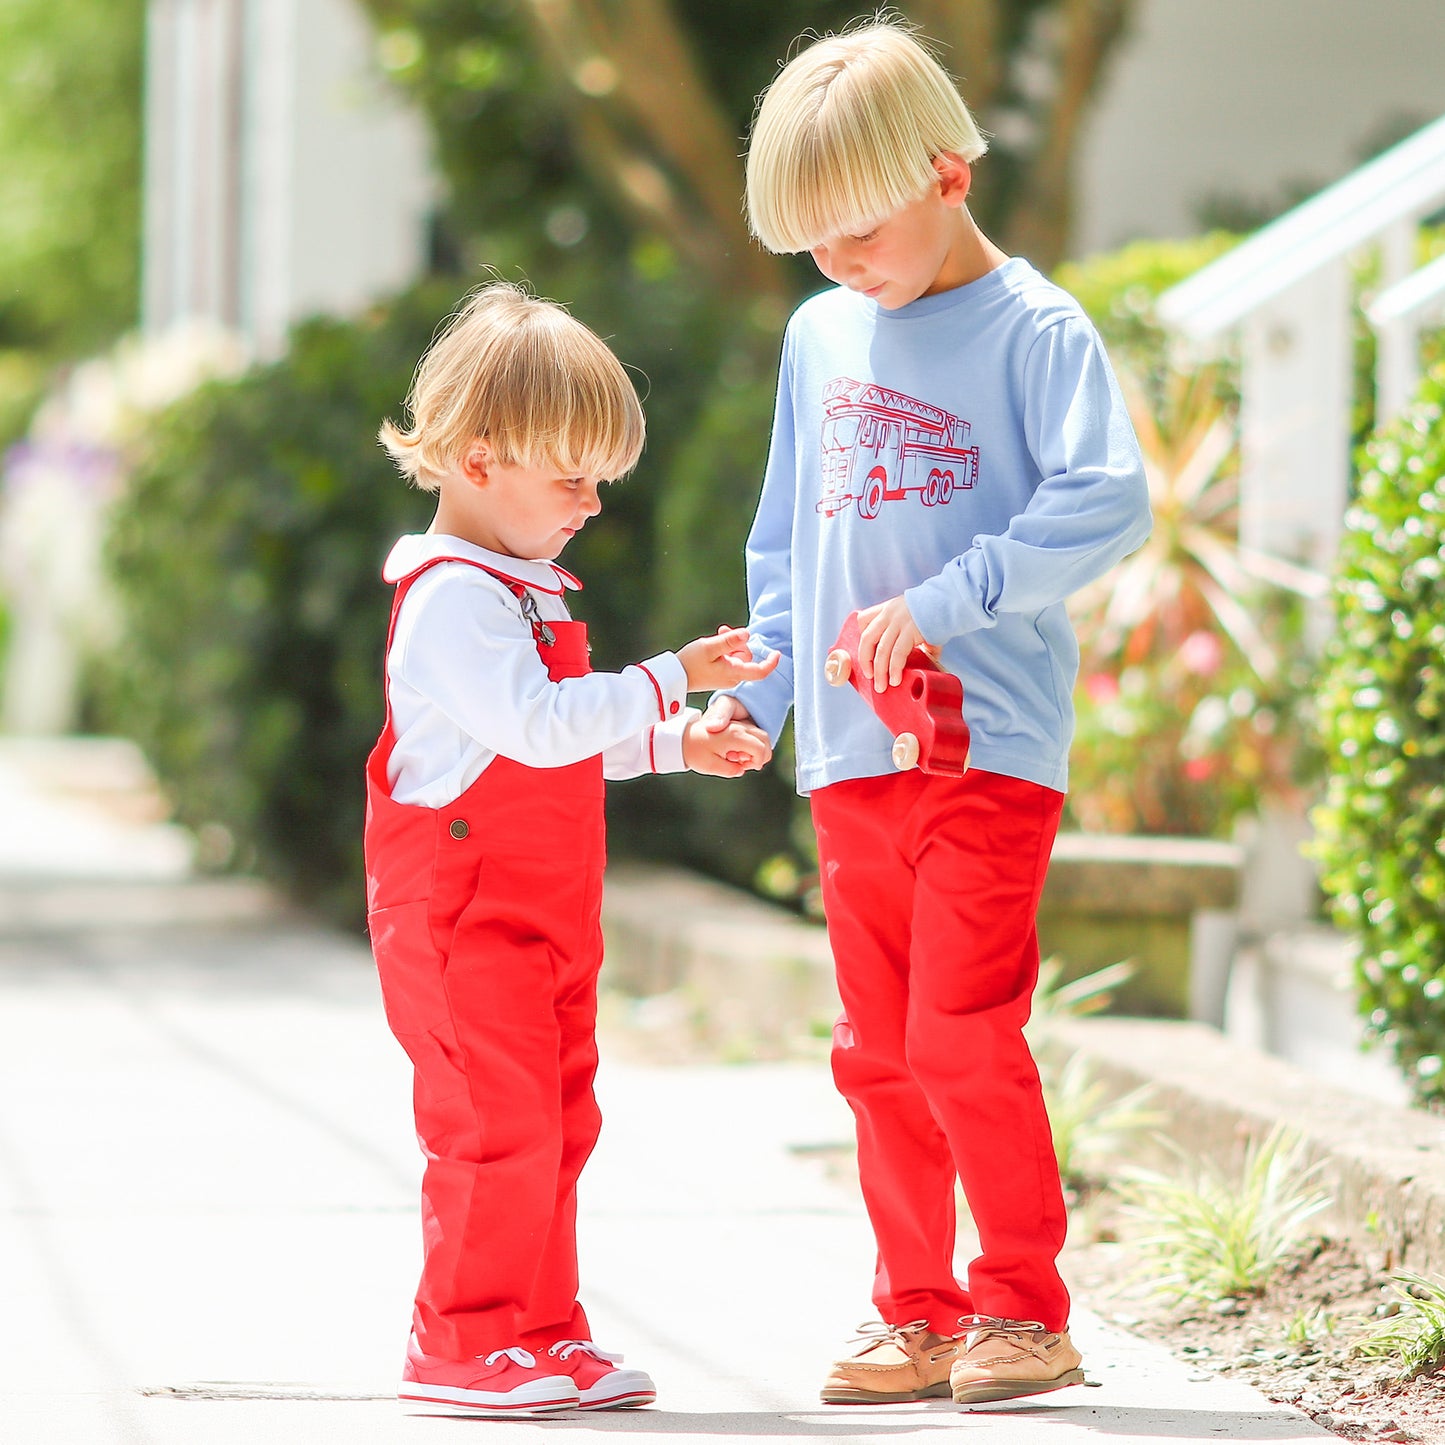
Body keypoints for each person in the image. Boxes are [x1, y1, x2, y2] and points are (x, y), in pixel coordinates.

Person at [704, 17, 1152, 1408]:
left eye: (858, 228)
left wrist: (953, 599)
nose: (838, 262)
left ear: (949, 172)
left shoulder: (1036, 328)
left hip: (984, 745)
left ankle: (1026, 1308)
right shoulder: (821, 333)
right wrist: (764, 692)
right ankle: (916, 1311)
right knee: (875, 1051)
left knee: (961, 1030)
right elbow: (788, 545)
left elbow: (1105, 498)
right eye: (811, 242)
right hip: (848, 754)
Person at [365, 281, 777, 1418]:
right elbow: (539, 725)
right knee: (492, 1126)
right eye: (573, 476)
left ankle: (539, 1326)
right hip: (460, 921)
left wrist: (671, 741)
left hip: (540, 918)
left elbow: (555, 747)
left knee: (554, 1120)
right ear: (481, 457)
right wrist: (672, 676)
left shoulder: (521, 589)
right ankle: (458, 1335)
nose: (592, 501)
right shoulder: (452, 597)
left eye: (601, 476)